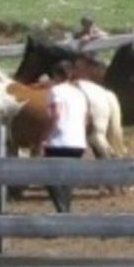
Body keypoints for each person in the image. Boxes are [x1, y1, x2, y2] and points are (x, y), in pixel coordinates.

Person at [43, 65, 89, 213]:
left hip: (58, 141)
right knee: (68, 180)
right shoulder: (79, 93)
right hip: (78, 141)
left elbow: (56, 115)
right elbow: (86, 118)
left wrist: (46, 136)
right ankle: (65, 211)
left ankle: (62, 210)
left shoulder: (55, 91)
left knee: (48, 176)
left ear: (56, 76)